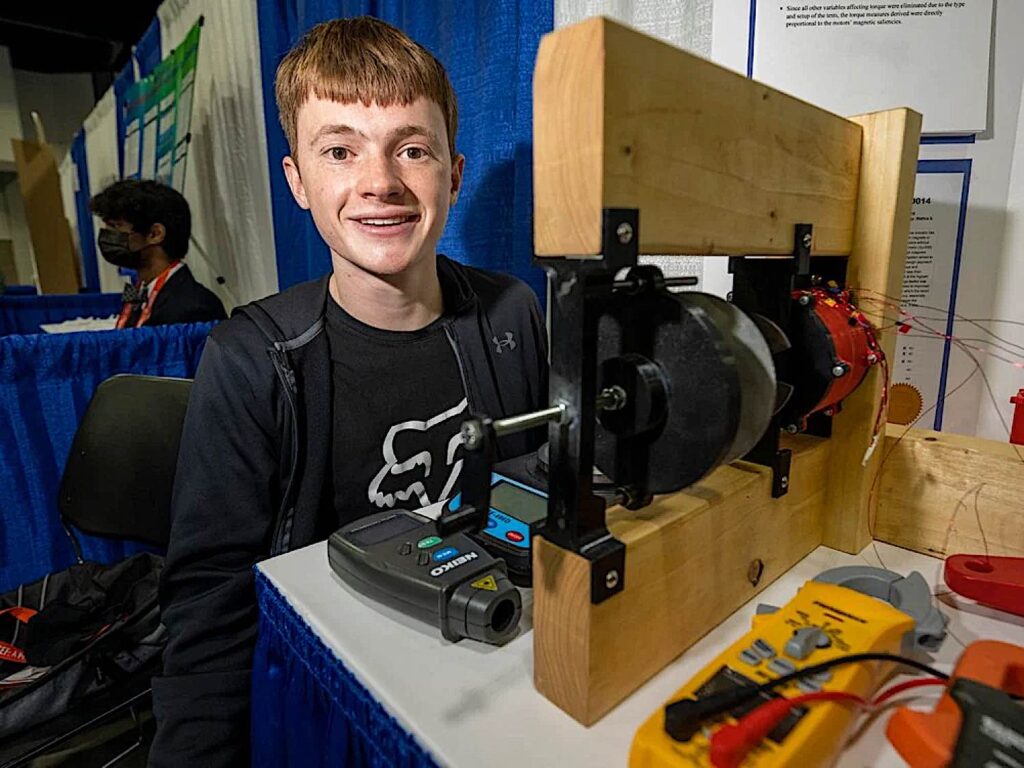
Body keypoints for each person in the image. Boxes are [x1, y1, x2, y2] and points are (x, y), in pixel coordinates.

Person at [149, 16, 548, 766]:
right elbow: (211, 602)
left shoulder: (512, 313)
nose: (380, 182)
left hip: (489, 667)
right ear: (298, 179)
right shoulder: (252, 358)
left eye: (413, 149)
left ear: (454, 174)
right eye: (339, 150)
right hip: (340, 699)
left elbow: (529, 497)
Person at [89, 179, 226, 327]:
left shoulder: (194, 308)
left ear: (155, 234)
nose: (107, 236)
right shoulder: (140, 294)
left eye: (116, 227)